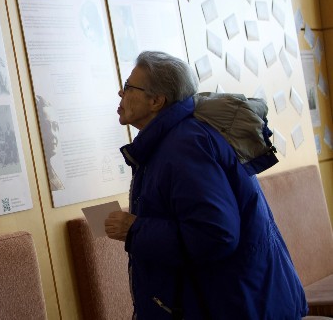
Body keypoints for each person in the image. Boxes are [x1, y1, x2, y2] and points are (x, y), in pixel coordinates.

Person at [104, 51, 307, 319]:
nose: (121, 93)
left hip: (237, 305)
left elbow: (215, 234)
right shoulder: (175, 140)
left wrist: (135, 229)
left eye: (129, 87)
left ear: (156, 100)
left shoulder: (185, 146)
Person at [35, 95, 64, 191]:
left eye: (55, 126)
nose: (52, 134)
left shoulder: (54, 170)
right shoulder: (37, 175)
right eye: (46, 127)